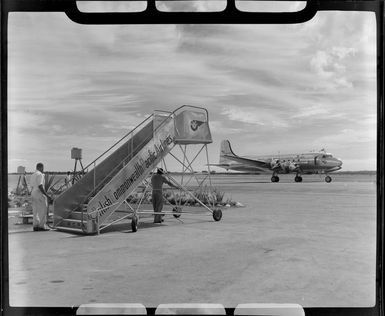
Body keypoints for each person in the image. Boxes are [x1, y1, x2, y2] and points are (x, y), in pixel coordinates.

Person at [30, 163, 53, 231]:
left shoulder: (33, 174)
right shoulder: (40, 174)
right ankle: (41, 226)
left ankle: (35, 225)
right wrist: (47, 195)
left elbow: (31, 185)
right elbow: (40, 186)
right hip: (38, 193)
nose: (43, 169)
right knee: (43, 209)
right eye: (43, 168)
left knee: (35, 210)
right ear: (41, 167)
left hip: (33, 192)